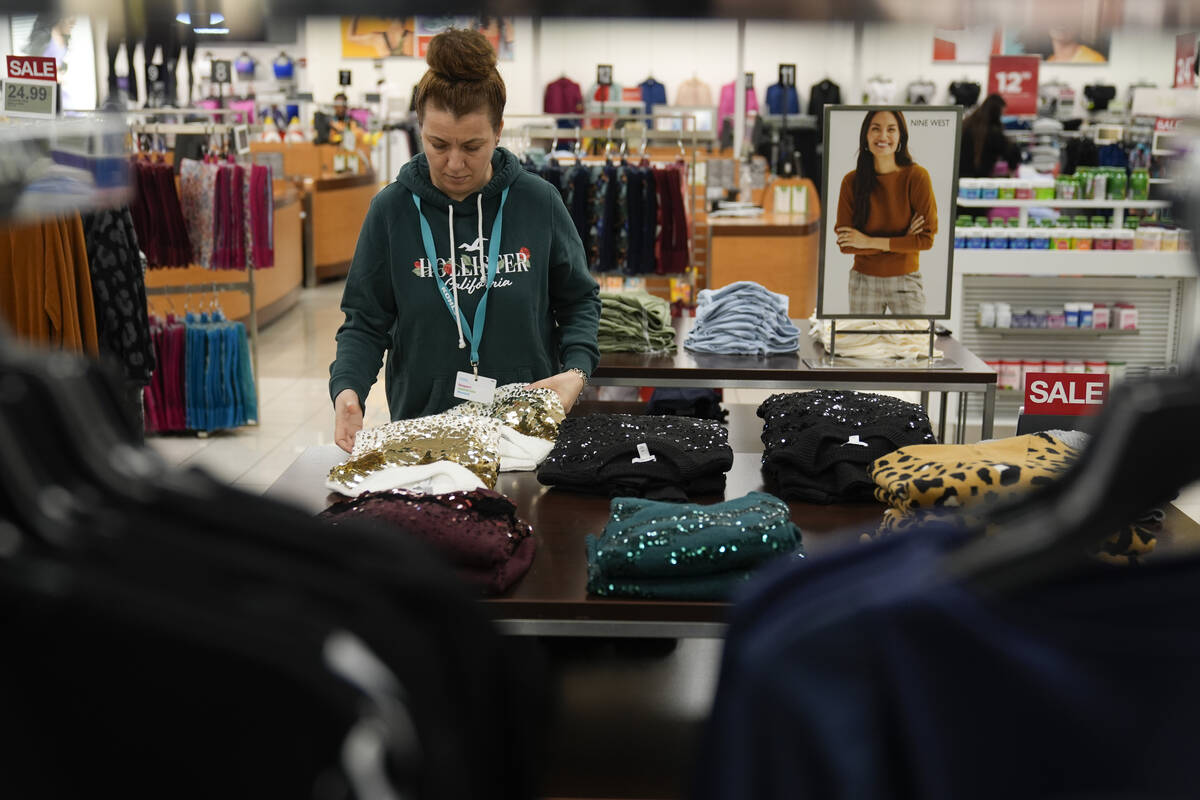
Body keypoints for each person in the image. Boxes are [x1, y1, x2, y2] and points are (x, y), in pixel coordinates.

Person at [329, 28, 600, 452]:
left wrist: (577, 370)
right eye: (438, 144)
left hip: (526, 435)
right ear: (419, 129)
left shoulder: (538, 201)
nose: (454, 163)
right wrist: (348, 390)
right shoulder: (392, 209)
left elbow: (579, 299)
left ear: (498, 131)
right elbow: (365, 321)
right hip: (423, 431)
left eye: (473, 146)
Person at [834, 109, 936, 316]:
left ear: (901, 137)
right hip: (863, 281)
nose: (883, 136)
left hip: (906, 280)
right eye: (875, 129)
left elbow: (925, 240)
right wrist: (903, 240)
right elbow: (846, 245)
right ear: (866, 136)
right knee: (862, 348)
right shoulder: (851, 182)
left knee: (914, 347)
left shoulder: (917, 177)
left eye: (891, 129)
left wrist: (868, 241)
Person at [959, 93, 1020, 178]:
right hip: (980, 180)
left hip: (960, 177)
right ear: (997, 112)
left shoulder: (966, 124)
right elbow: (1013, 151)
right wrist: (1011, 170)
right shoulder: (993, 131)